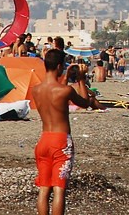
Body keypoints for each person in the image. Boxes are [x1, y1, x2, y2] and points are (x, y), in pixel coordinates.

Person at [33, 48, 89, 215]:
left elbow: (55, 89)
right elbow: (85, 103)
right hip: (61, 141)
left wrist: (65, 75)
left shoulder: (36, 90)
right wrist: (81, 79)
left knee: (44, 189)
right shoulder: (66, 90)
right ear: (59, 66)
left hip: (43, 141)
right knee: (59, 189)